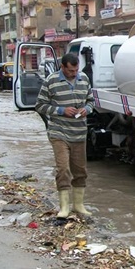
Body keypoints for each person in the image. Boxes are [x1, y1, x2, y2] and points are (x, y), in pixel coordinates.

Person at [35, 53, 94, 219]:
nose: (74, 74)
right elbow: (40, 105)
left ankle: (78, 205)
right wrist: (61, 111)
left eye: (76, 70)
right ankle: (64, 207)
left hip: (79, 132)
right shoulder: (51, 81)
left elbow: (91, 101)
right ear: (62, 67)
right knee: (63, 169)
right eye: (70, 71)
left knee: (80, 170)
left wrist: (86, 110)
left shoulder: (84, 79)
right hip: (58, 132)